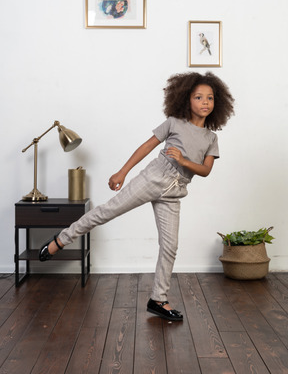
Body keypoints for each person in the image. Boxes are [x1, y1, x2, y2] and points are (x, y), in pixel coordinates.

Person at [39, 71, 234, 321]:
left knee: (170, 246)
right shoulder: (174, 122)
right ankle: (60, 240)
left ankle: (158, 300)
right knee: (106, 212)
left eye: (210, 98)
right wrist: (122, 172)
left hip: (175, 191)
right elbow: (147, 146)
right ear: (187, 99)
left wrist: (184, 160)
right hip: (154, 177)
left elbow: (206, 170)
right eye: (199, 97)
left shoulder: (211, 138)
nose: (205, 102)